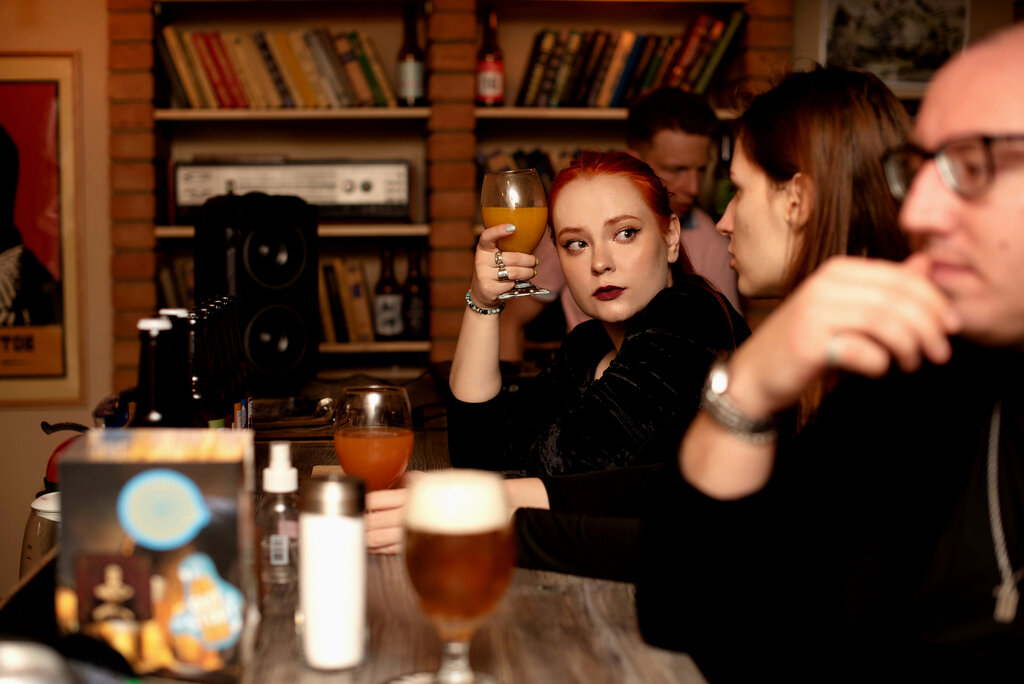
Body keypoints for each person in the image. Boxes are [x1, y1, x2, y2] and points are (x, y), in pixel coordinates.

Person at [650, 25, 1024, 681]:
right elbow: (691, 615)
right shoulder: (920, 382)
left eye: (970, 166)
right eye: (918, 170)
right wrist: (747, 389)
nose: (917, 212)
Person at [449, 150, 745, 477]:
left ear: (671, 236)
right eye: (577, 243)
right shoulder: (587, 346)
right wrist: (482, 305)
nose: (600, 263)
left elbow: (565, 471)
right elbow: (478, 454)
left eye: (625, 233)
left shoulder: (691, 319)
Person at [499, 88, 740, 360]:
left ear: (672, 236)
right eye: (676, 169)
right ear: (634, 161)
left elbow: (727, 350)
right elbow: (511, 321)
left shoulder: (716, 242)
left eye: (701, 170)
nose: (693, 187)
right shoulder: (572, 222)